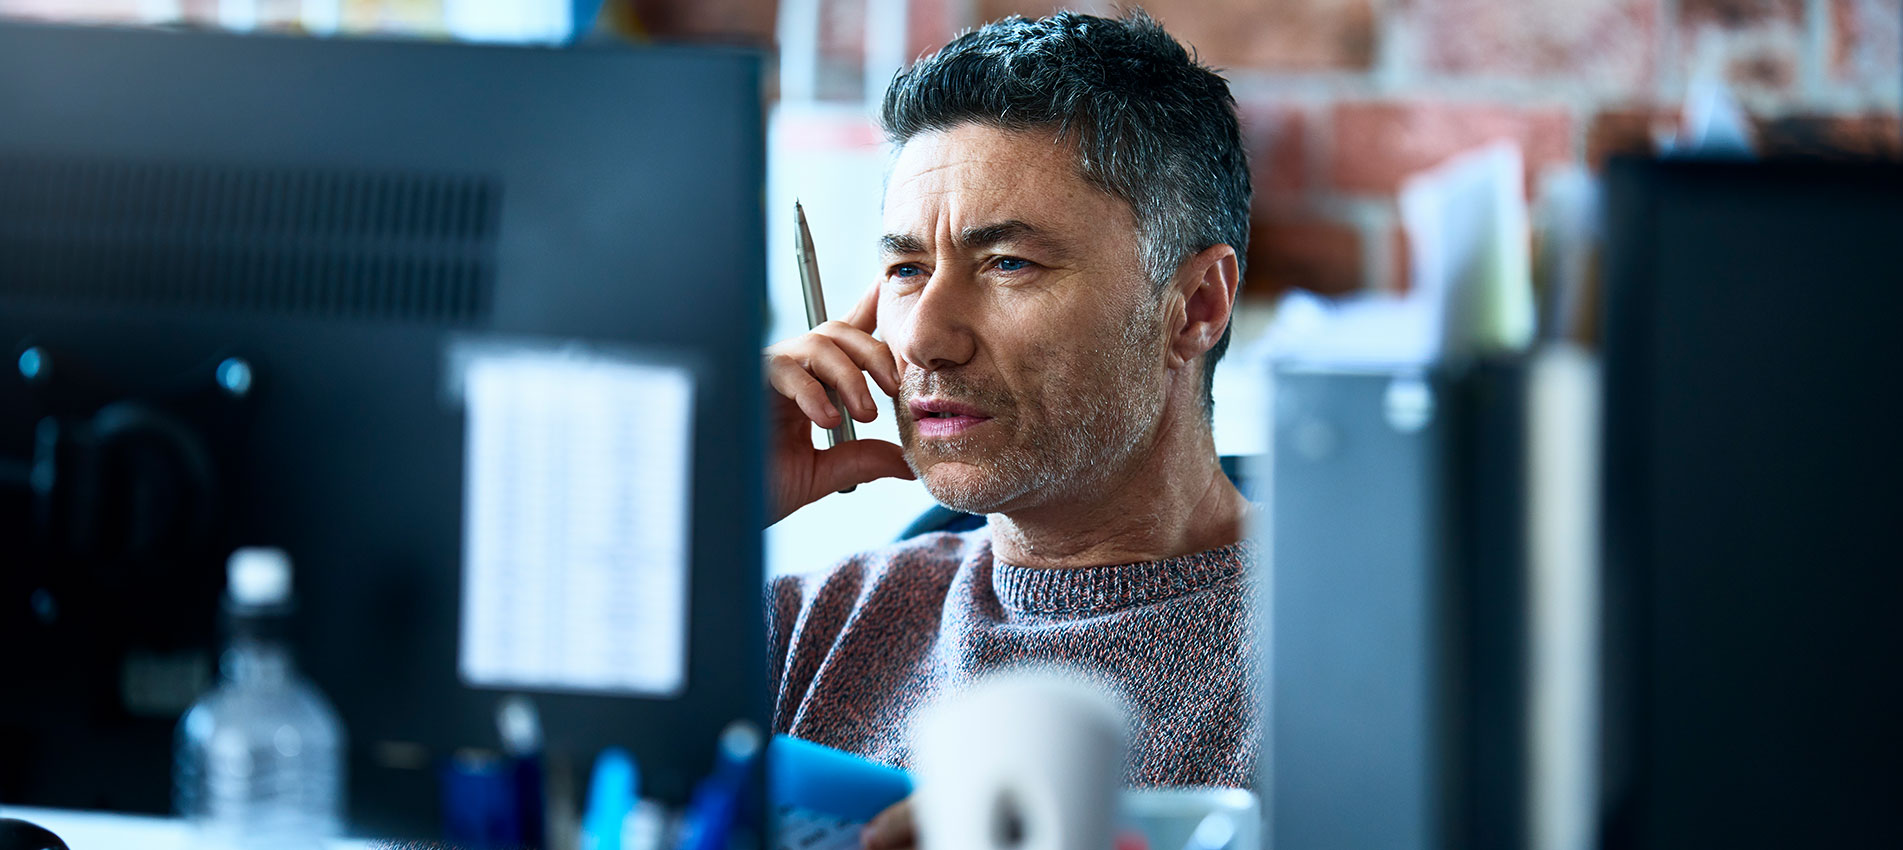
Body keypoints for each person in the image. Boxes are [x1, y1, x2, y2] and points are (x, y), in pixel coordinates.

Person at [763, 10, 1254, 847]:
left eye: (1008, 264)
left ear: (1195, 306)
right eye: (907, 269)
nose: (923, 337)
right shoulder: (809, 625)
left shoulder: (1365, 664)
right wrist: (695, 510)